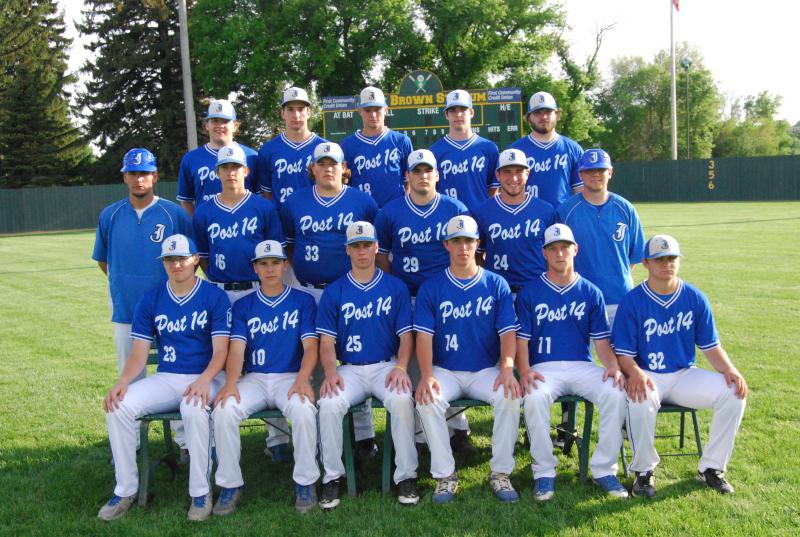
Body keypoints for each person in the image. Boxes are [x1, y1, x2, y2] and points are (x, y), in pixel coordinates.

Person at [97, 234, 231, 522]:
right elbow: (139, 354)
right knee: (118, 406)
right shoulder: (153, 298)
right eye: (170, 259)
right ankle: (125, 489)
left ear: (195, 259)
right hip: (168, 377)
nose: (176, 264)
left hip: (207, 376)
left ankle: (200, 492)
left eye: (182, 258)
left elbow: (221, 352)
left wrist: (205, 380)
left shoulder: (214, 296)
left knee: (193, 408)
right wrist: (122, 382)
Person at [613, 235, 748, 497]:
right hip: (647, 374)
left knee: (733, 392)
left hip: (684, 374)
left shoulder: (695, 298)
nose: (667, 264)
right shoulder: (633, 300)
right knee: (640, 399)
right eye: (659, 259)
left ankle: (711, 468)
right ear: (646, 263)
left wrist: (730, 370)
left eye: (672, 258)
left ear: (679, 261)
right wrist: (635, 373)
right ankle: (643, 473)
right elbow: (623, 355)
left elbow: (710, 347)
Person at [515, 223, 628, 501]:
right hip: (543, 367)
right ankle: (544, 472)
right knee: (534, 398)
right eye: (553, 248)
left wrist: (612, 366)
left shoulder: (591, 292)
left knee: (615, 392)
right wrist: (525, 370)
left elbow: (601, 341)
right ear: (544, 253)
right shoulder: (530, 292)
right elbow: (521, 341)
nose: (559, 253)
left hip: (581, 365)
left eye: (565, 247)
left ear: (575, 250)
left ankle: (603, 469)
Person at [280, 141, 380, 454]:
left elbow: (372, 245)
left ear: (344, 168)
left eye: (333, 163)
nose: (327, 168)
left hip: (353, 291)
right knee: (319, 360)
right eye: (321, 164)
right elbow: (290, 246)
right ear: (312, 169)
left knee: (357, 357)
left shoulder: (362, 201)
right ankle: (324, 433)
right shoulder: (295, 202)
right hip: (310, 289)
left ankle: (364, 436)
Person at [414, 215, 521, 504]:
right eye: (457, 241)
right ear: (447, 244)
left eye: (469, 241)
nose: (463, 247)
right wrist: (426, 375)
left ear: (478, 245)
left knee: (510, 396)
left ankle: (500, 472)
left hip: (485, 369)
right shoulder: (432, 287)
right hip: (445, 370)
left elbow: (508, 332)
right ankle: (445, 475)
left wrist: (508, 368)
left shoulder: (496, 285)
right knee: (427, 398)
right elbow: (423, 338)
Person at [192, 143, 290, 458]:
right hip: (221, 290)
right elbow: (203, 257)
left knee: (269, 356)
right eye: (225, 168)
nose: (231, 172)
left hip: (257, 290)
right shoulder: (206, 209)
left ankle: (278, 438)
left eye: (236, 167)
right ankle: (219, 435)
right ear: (217, 172)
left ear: (245, 171)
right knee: (220, 357)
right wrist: (223, 280)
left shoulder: (263, 208)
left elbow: (275, 253)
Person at [374, 149, 475, 453]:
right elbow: (382, 256)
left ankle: (458, 429)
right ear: (407, 175)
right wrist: (398, 289)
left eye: (427, 170)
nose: (422, 176)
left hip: (449, 294)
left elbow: (467, 249)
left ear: (437, 174)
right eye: (416, 171)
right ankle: (420, 434)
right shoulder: (390, 212)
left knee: (452, 357)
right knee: (417, 364)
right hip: (409, 295)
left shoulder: (454, 208)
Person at [211, 240, 320, 515]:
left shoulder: (303, 301)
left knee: (305, 411)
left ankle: (305, 483)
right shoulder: (244, 306)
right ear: (255, 268)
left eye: (275, 263)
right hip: (255, 380)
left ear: (285, 265)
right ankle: (230, 486)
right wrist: (231, 384)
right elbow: (236, 352)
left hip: (290, 377)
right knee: (224, 411)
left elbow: (310, 348)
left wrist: (304, 379)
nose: (270, 269)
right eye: (263, 263)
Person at [316, 221, 418, 508]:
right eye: (356, 246)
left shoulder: (395, 287)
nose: (362, 251)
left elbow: (406, 337)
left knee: (401, 400)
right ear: (347, 250)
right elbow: (326, 342)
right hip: (348, 368)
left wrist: (400, 367)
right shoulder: (335, 291)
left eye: (367, 245)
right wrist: (331, 371)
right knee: (329, 403)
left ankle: (406, 475)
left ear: (376, 247)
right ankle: (332, 478)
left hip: (387, 366)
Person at [93, 148, 191, 382]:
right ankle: (133, 420)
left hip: (170, 309)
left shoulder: (173, 214)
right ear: (124, 176)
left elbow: (190, 259)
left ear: (155, 176)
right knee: (129, 379)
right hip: (126, 310)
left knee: (179, 374)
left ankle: (180, 421)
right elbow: (104, 261)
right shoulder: (110, 215)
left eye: (144, 173)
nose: (139, 179)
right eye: (133, 173)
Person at [557, 148, 645, 326]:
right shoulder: (566, 211)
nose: (595, 174)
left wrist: (616, 278)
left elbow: (634, 255)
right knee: (577, 354)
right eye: (589, 170)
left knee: (621, 353)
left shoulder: (626, 209)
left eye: (601, 169)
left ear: (610, 172)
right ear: (580, 174)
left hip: (620, 298)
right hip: (578, 297)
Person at [472, 148, 556, 294]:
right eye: (507, 172)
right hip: (498, 291)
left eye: (519, 171)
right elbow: (477, 255)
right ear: (497, 175)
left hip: (537, 290)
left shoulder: (546, 211)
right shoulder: (482, 212)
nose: (514, 178)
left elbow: (554, 254)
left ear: (528, 173)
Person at [177, 99, 259, 217]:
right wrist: (197, 224)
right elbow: (186, 200)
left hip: (246, 226)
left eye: (225, 121)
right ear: (206, 125)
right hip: (208, 228)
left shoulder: (251, 157)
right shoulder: (191, 159)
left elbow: (260, 197)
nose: (220, 126)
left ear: (235, 126)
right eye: (215, 121)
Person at [340, 86, 413, 208]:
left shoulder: (402, 141)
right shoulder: (347, 144)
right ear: (360, 111)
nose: (373, 114)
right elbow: (344, 183)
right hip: (360, 209)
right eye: (368, 110)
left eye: (377, 109)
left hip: (395, 209)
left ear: (385, 109)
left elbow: (411, 178)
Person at [508, 91, 583, 209]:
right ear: (528, 118)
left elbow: (581, 191)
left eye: (548, 112)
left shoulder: (573, 149)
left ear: (557, 115)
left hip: (562, 217)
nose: (543, 117)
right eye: (537, 113)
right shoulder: (515, 150)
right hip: (527, 217)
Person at [429, 89, 499, 212]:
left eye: (463, 109)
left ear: (471, 112)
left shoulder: (489, 148)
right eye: (453, 110)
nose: (458, 114)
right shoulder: (435, 151)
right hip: (447, 216)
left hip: (480, 217)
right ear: (446, 115)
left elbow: (492, 189)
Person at [257, 87, 327, 208]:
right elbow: (266, 193)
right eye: (290, 109)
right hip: (282, 221)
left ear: (309, 112)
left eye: (301, 109)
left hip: (317, 219)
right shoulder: (267, 150)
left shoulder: (325, 148)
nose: (296, 115)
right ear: (283, 113)